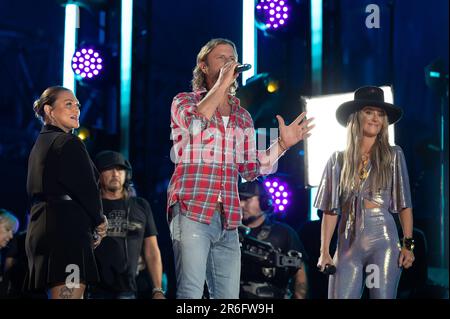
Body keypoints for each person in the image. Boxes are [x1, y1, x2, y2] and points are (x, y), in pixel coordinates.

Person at [167, 38, 314, 298]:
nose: (229, 62)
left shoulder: (241, 116)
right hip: (192, 208)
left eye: (231, 58)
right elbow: (194, 126)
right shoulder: (184, 101)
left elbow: (251, 168)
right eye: (221, 58)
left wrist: (282, 144)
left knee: (228, 298)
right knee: (190, 292)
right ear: (203, 66)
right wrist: (222, 83)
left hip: (228, 219)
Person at [315, 86, 414, 299]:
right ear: (356, 116)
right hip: (348, 242)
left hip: (383, 240)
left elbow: (404, 204)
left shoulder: (393, 155)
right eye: (369, 112)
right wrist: (324, 251)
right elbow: (330, 211)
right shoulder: (337, 160)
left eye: (380, 114)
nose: (375, 118)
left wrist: (408, 245)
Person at [26, 86, 107, 299]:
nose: (76, 109)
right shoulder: (68, 142)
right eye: (68, 104)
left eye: (77, 105)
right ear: (49, 111)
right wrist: (100, 220)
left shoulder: (40, 144)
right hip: (66, 232)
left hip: (41, 227)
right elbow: (87, 188)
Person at [90, 150, 165, 299]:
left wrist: (157, 289)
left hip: (129, 290)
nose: (115, 173)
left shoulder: (141, 206)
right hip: (94, 290)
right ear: (97, 174)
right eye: (109, 168)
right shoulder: (91, 206)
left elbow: (152, 250)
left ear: (127, 174)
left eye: (120, 169)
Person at [238, 180, 308, 299]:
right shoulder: (227, 233)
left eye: (246, 199)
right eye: (239, 199)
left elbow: (299, 272)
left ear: (265, 202)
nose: (240, 204)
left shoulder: (284, 233)